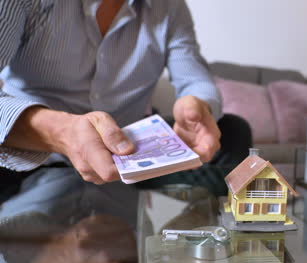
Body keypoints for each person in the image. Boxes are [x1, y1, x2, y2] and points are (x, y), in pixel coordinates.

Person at [0, 0, 251, 203]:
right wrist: (59, 132)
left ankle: (197, 234)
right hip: (27, 157)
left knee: (233, 131)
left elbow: (195, 78)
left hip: (130, 157)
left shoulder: (171, 7)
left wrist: (197, 104)